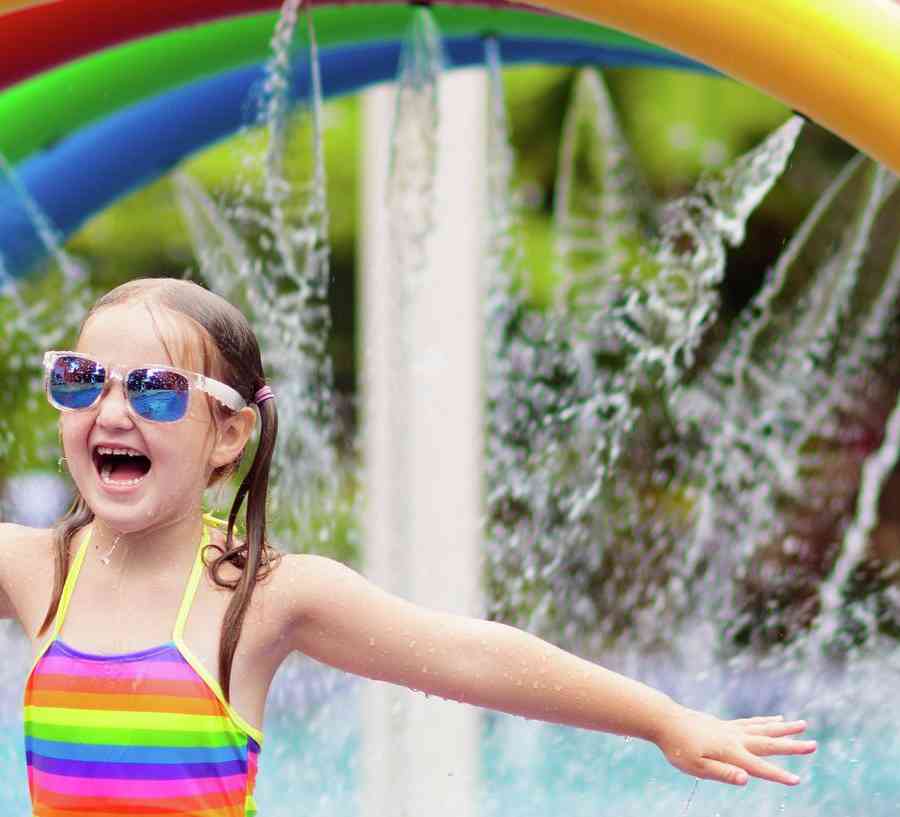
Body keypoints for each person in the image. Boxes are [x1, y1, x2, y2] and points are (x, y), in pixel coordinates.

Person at [0, 277, 815, 815]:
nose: (111, 410)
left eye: (154, 388)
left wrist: (663, 718)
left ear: (228, 433)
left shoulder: (259, 594)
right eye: (80, 378)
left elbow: (468, 654)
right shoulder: (40, 569)